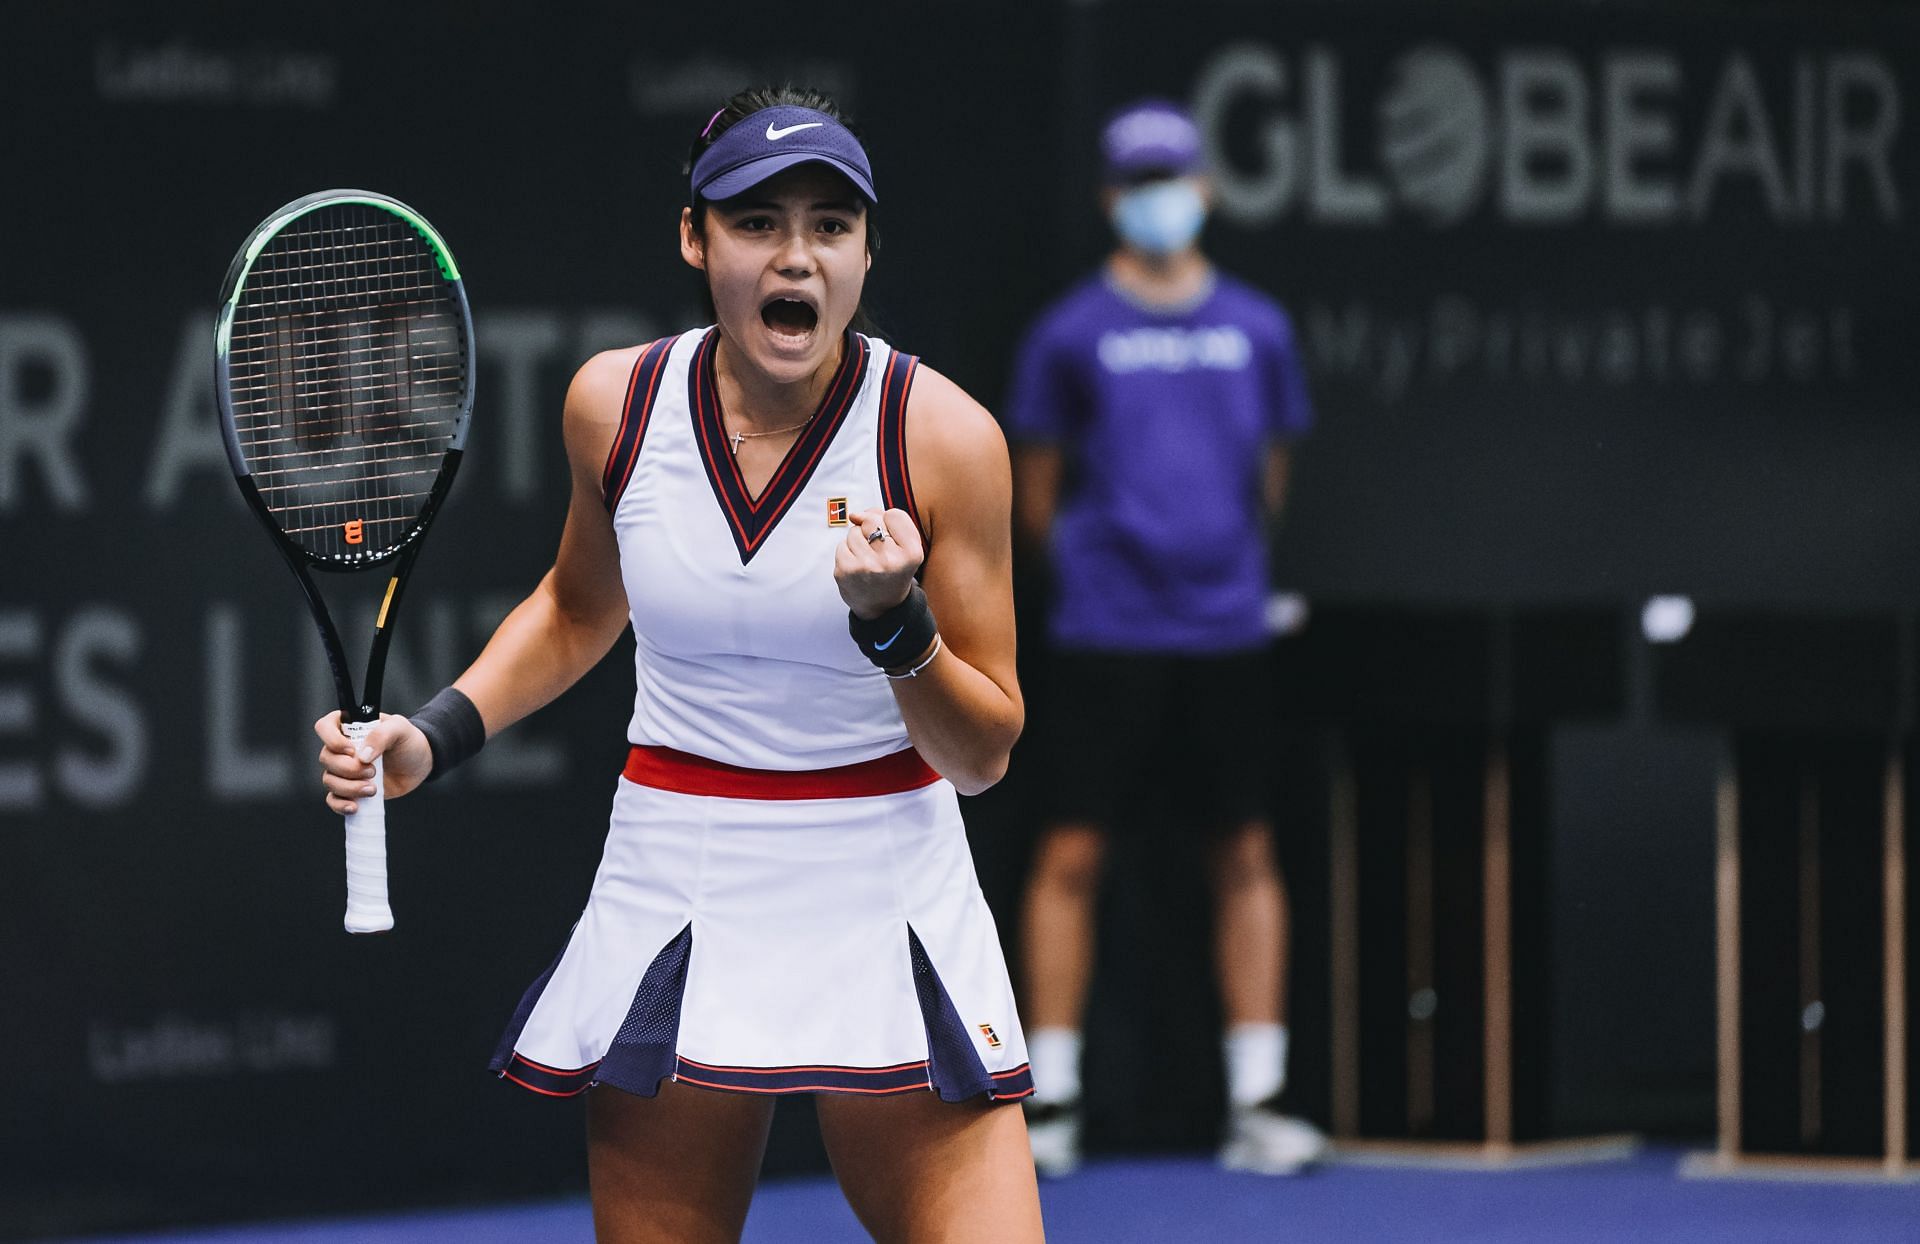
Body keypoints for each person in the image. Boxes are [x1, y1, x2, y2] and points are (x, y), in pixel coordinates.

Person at [313, 86, 1045, 1244]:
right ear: (696, 238)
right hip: (679, 868)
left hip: (886, 871)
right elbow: (572, 607)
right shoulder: (616, 403)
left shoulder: (944, 437)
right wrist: (433, 732)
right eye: (756, 222)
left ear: (865, 252)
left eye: (829, 225)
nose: (795, 256)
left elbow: (984, 753)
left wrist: (897, 624)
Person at [1008, 99, 1323, 1177]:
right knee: (1072, 852)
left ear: (1205, 189)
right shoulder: (1068, 333)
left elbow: (1269, 479)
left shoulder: (1260, 327)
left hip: (1228, 632)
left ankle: (1259, 1098)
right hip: (1105, 633)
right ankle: (1050, 1101)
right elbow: (1036, 493)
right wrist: (1113, 575)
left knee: (1244, 850)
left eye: (1174, 176)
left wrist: (1211, 568)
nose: (1158, 197)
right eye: (1138, 179)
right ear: (1110, 197)